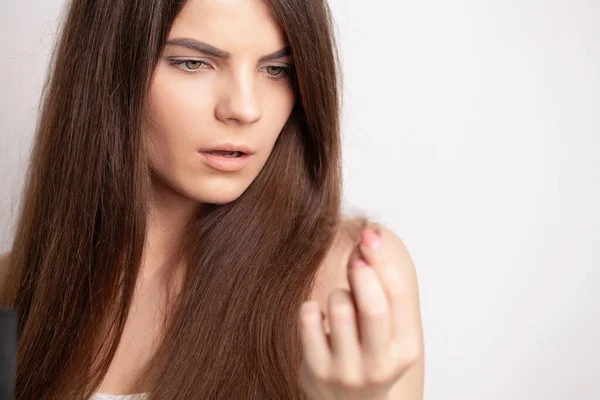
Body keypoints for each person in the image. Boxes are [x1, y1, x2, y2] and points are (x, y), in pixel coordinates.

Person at [0, 0, 424, 398]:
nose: (244, 108)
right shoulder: (12, 289)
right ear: (108, 70)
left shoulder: (347, 278)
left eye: (277, 69)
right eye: (193, 63)